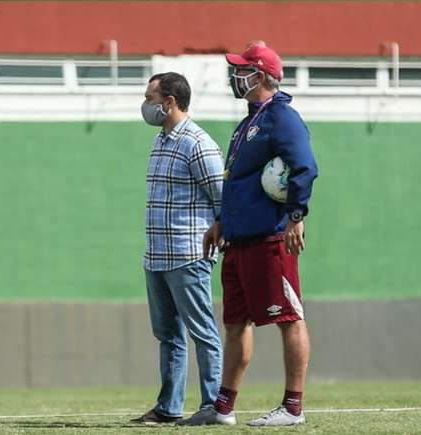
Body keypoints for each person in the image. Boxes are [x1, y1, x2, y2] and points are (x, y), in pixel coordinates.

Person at [179, 41, 318, 427]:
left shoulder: (282, 116)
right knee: (236, 323)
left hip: (270, 238)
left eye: (242, 68)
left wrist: (295, 214)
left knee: (289, 317)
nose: (234, 75)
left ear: (260, 75)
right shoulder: (249, 123)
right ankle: (223, 408)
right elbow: (238, 182)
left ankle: (293, 408)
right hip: (238, 241)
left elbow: (304, 165)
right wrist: (223, 221)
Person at [131, 72, 226, 424]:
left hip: (188, 256)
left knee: (203, 331)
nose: (145, 106)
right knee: (168, 336)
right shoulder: (161, 140)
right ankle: (169, 408)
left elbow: (222, 198)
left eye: (150, 98)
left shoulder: (198, 143)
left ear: (169, 102)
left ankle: (214, 404)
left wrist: (220, 235)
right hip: (156, 256)